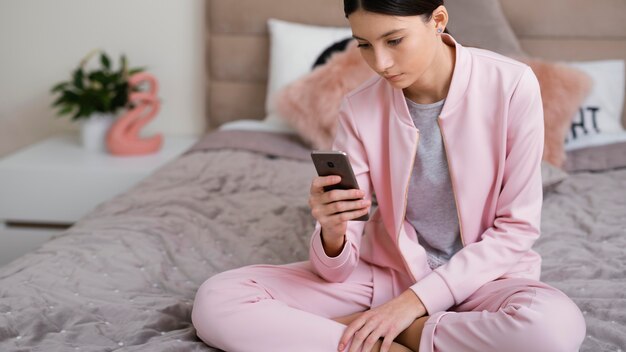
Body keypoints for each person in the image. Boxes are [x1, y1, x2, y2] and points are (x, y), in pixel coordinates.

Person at [191, 1, 587, 351]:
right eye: (364, 44)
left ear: (438, 21)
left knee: (554, 329)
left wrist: (409, 308)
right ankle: (382, 341)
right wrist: (332, 232)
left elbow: (515, 231)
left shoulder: (512, 84)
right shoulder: (359, 108)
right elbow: (336, 270)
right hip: (385, 275)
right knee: (218, 299)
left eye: (393, 40)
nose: (379, 63)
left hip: (483, 278)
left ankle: (381, 333)